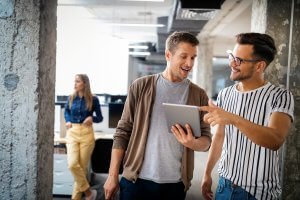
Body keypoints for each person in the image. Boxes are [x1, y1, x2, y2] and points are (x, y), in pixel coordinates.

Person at [103, 31, 212, 200]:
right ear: (168, 55)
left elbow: (206, 141)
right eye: (184, 56)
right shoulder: (140, 86)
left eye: (193, 58)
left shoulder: (199, 94)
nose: (189, 63)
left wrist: (193, 143)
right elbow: (122, 132)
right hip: (136, 181)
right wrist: (112, 176)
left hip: (175, 184)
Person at [200, 33, 294, 200]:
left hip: (257, 193)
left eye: (239, 60)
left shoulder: (280, 96)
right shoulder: (225, 94)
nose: (232, 63)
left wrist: (233, 119)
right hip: (224, 186)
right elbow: (220, 137)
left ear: (259, 66)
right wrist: (207, 173)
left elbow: (275, 140)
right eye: (232, 57)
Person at [64, 74, 103, 200]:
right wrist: (68, 120)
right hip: (73, 132)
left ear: (85, 83)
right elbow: (66, 112)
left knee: (80, 168)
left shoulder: (93, 99)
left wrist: (92, 118)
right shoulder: (71, 98)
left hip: (87, 134)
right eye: (74, 81)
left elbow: (100, 117)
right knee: (72, 165)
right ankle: (89, 193)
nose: (75, 84)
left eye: (77, 81)